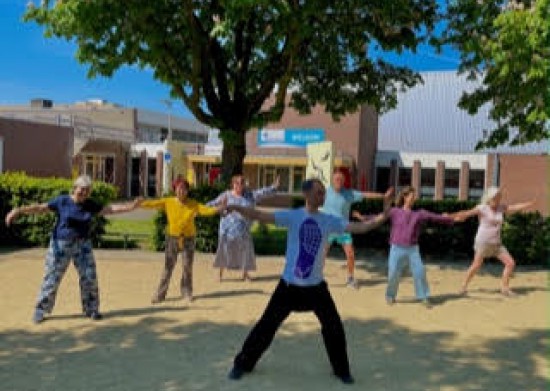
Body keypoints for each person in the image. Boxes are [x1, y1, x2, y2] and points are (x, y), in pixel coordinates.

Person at [225, 179, 393, 384]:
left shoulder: (329, 220)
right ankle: (242, 364)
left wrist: (385, 213)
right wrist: (235, 207)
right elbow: (259, 214)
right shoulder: (293, 216)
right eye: (319, 193)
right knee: (266, 326)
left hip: (316, 288)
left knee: (334, 327)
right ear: (307, 194)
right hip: (288, 286)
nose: (323, 196)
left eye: (323, 193)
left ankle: (342, 370)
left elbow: (361, 227)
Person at [4, 175, 142, 324]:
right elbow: (40, 208)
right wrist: (18, 211)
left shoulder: (90, 204)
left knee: (90, 277)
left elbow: (110, 209)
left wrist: (131, 207)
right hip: (61, 244)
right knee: (52, 277)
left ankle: (91, 309)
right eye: (81, 190)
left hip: (83, 245)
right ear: (74, 188)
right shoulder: (62, 201)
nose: (84, 193)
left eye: (87, 191)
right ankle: (40, 310)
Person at [139, 179, 224, 303]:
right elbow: (153, 204)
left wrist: (217, 209)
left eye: (184, 189)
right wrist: (140, 204)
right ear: (175, 190)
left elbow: (204, 209)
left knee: (187, 267)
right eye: (179, 188)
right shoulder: (168, 202)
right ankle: (160, 294)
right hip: (172, 238)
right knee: (168, 267)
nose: (182, 191)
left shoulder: (193, 204)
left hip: (188, 239)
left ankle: (187, 292)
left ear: (187, 191)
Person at [453, 186, 537, 296]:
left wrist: (529, 204)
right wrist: (456, 217)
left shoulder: (501, 208)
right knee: (476, 265)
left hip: (497, 244)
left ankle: (504, 288)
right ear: (490, 197)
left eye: (499, 197)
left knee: (510, 263)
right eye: (496, 197)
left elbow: (514, 207)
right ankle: (463, 287)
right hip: (483, 242)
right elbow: (467, 213)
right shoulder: (482, 208)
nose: (498, 200)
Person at [380, 186, 454, 307]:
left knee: (419, 272)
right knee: (393, 273)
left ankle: (424, 296)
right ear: (404, 197)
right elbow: (379, 217)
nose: (414, 198)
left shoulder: (418, 214)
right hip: (396, 248)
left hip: (412, 250)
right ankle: (390, 295)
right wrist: (364, 219)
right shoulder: (394, 212)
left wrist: (447, 218)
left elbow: (434, 217)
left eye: (414, 197)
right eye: (411, 196)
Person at [207, 174, 279, 281]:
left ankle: (245, 274)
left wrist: (273, 187)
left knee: (246, 251)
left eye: (241, 183)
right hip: (227, 229)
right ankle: (220, 274)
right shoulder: (226, 195)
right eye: (237, 183)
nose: (239, 185)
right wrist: (200, 209)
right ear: (233, 184)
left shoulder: (249, 195)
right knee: (224, 251)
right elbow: (212, 204)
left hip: (243, 230)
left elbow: (262, 193)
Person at [322, 169, 386, 289]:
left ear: (344, 181)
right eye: (336, 179)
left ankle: (350, 279)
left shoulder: (349, 194)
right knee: (322, 254)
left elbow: (366, 194)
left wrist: (382, 196)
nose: (338, 181)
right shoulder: (326, 192)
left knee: (350, 254)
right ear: (332, 179)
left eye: (341, 180)